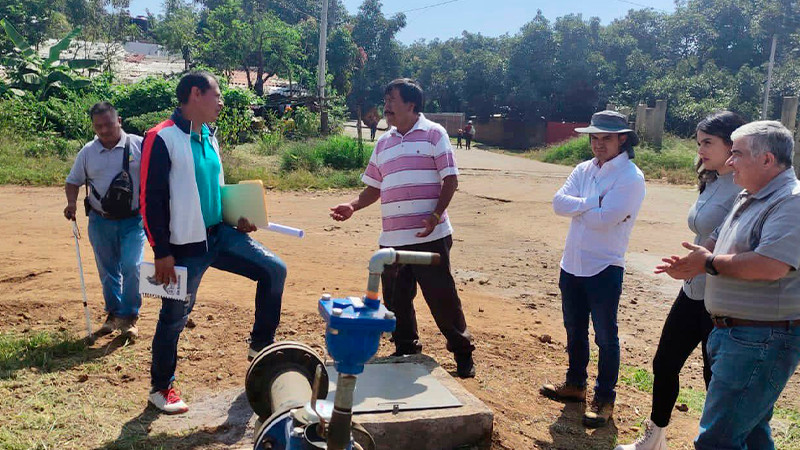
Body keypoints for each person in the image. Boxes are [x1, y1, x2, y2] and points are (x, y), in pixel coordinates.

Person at [141, 71, 288, 414]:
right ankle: (161, 388)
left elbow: (214, 189)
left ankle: (260, 348)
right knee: (174, 317)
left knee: (274, 271)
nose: (221, 102)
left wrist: (237, 217)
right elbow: (150, 199)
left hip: (220, 235)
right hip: (184, 249)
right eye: (217, 95)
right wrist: (161, 252)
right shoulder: (161, 138)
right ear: (195, 94)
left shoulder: (208, 135)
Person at [656, 121, 800, 450]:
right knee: (750, 435)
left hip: (761, 339)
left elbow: (770, 265)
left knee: (717, 440)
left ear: (766, 159)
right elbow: (717, 240)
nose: (730, 162)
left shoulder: (791, 202)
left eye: (736, 154)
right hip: (741, 335)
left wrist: (707, 263)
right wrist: (694, 262)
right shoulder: (750, 194)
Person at [615, 111, 746, 450]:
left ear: (732, 143)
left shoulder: (744, 185)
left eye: (707, 143)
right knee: (665, 363)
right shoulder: (714, 179)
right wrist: (688, 266)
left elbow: (727, 238)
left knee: (713, 378)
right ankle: (654, 438)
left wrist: (698, 263)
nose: (700, 150)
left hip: (722, 296)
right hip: (693, 290)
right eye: (698, 142)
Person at [329, 78, 476, 378]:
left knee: (442, 297)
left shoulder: (435, 134)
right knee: (396, 301)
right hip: (392, 241)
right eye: (385, 99)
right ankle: (406, 350)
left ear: (411, 104)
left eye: (392, 99)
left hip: (430, 236)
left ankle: (463, 354)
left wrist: (435, 215)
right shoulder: (383, 142)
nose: (386, 106)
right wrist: (353, 206)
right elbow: (374, 188)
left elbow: (451, 180)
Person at [540, 110, 646, 428]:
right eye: (595, 137)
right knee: (574, 330)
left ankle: (604, 397)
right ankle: (575, 384)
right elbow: (559, 203)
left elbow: (604, 221)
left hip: (604, 265)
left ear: (622, 139)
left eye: (606, 138)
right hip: (572, 263)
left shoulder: (630, 177)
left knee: (605, 336)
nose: (599, 144)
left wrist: (580, 206)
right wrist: (592, 202)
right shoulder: (584, 169)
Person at [64, 102, 145, 340]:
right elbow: (73, 181)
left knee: (133, 266)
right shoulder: (88, 152)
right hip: (101, 221)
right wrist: (71, 203)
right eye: (98, 126)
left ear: (119, 121)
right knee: (108, 270)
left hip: (134, 220)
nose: (104, 130)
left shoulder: (140, 145)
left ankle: (130, 317)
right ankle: (113, 314)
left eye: (108, 124)